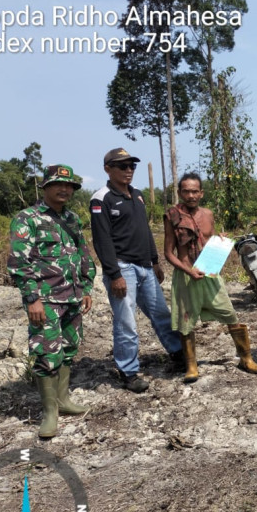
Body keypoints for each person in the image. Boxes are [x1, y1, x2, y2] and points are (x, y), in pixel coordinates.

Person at [7, 164, 96, 438]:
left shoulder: (71, 218)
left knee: (69, 347)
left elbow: (83, 253)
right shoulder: (27, 219)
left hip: (73, 296)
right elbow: (19, 263)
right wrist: (32, 298)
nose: (64, 189)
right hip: (44, 299)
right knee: (46, 352)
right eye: (58, 184)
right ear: (45, 187)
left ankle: (63, 401)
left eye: (69, 186)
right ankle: (49, 413)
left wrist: (88, 285)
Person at [90, 148, 183, 393]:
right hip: (122, 268)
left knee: (161, 313)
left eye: (132, 166)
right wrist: (114, 274)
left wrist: (154, 261)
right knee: (126, 321)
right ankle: (128, 371)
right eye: (122, 166)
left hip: (144, 266)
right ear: (107, 168)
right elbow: (102, 241)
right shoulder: (101, 199)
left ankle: (178, 353)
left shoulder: (137, 196)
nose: (128, 170)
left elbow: (145, 231)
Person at [163, 173, 257, 382]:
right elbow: (168, 253)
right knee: (186, 323)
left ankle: (246, 358)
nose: (190, 195)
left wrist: (220, 240)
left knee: (230, 314)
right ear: (180, 193)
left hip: (210, 275)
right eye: (186, 191)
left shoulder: (208, 214)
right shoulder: (172, 215)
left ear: (201, 193)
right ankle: (191, 366)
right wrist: (189, 270)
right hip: (186, 276)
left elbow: (209, 241)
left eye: (194, 191)